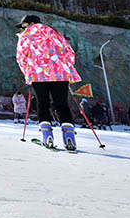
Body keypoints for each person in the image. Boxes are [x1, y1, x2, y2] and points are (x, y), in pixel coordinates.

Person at [15, 14, 81, 150]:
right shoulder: (55, 33)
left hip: (38, 74)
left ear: (31, 23)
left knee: (42, 103)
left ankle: (47, 135)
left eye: (24, 26)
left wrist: (27, 72)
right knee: (62, 104)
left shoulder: (25, 36)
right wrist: (66, 68)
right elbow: (70, 52)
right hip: (60, 74)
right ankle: (69, 137)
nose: (23, 29)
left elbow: (21, 57)